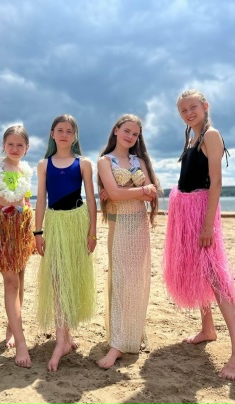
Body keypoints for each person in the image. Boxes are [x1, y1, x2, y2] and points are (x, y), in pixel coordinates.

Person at [162, 89, 235, 381]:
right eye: (183, 110)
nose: (188, 113)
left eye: (193, 107)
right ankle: (207, 328)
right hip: (185, 211)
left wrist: (208, 225)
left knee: (215, 275)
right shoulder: (192, 138)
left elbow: (217, 182)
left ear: (205, 106)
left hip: (201, 212)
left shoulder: (211, 135)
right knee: (197, 270)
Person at [34, 114, 97, 372]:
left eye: (69, 131)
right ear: (52, 134)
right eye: (60, 130)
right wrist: (38, 232)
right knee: (58, 280)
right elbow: (40, 199)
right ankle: (62, 341)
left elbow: (91, 199)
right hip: (55, 224)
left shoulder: (84, 163)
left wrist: (92, 232)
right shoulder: (44, 164)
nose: (64, 134)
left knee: (71, 278)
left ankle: (66, 338)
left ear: (75, 136)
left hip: (77, 223)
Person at [96, 114, 159, 369]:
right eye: (127, 131)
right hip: (119, 224)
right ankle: (118, 343)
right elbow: (115, 193)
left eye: (135, 134)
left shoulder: (139, 161)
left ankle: (133, 334)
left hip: (139, 225)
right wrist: (140, 190)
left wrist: (125, 192)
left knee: (136, 281)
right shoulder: (105, 161)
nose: (130, 136)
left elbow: (151, 195)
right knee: (120, 280)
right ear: (116, 130)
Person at [0, 125, 35, 368]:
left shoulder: (25, 170)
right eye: (10, 144)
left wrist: (31, 234)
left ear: (27, 148)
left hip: (20, 228)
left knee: (20, 280)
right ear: (3, 145)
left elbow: (26, 201)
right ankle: (21, 344)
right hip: (0, 226)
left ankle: (12, 328)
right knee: (11, 282)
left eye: (19, 145)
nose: (14, 148)